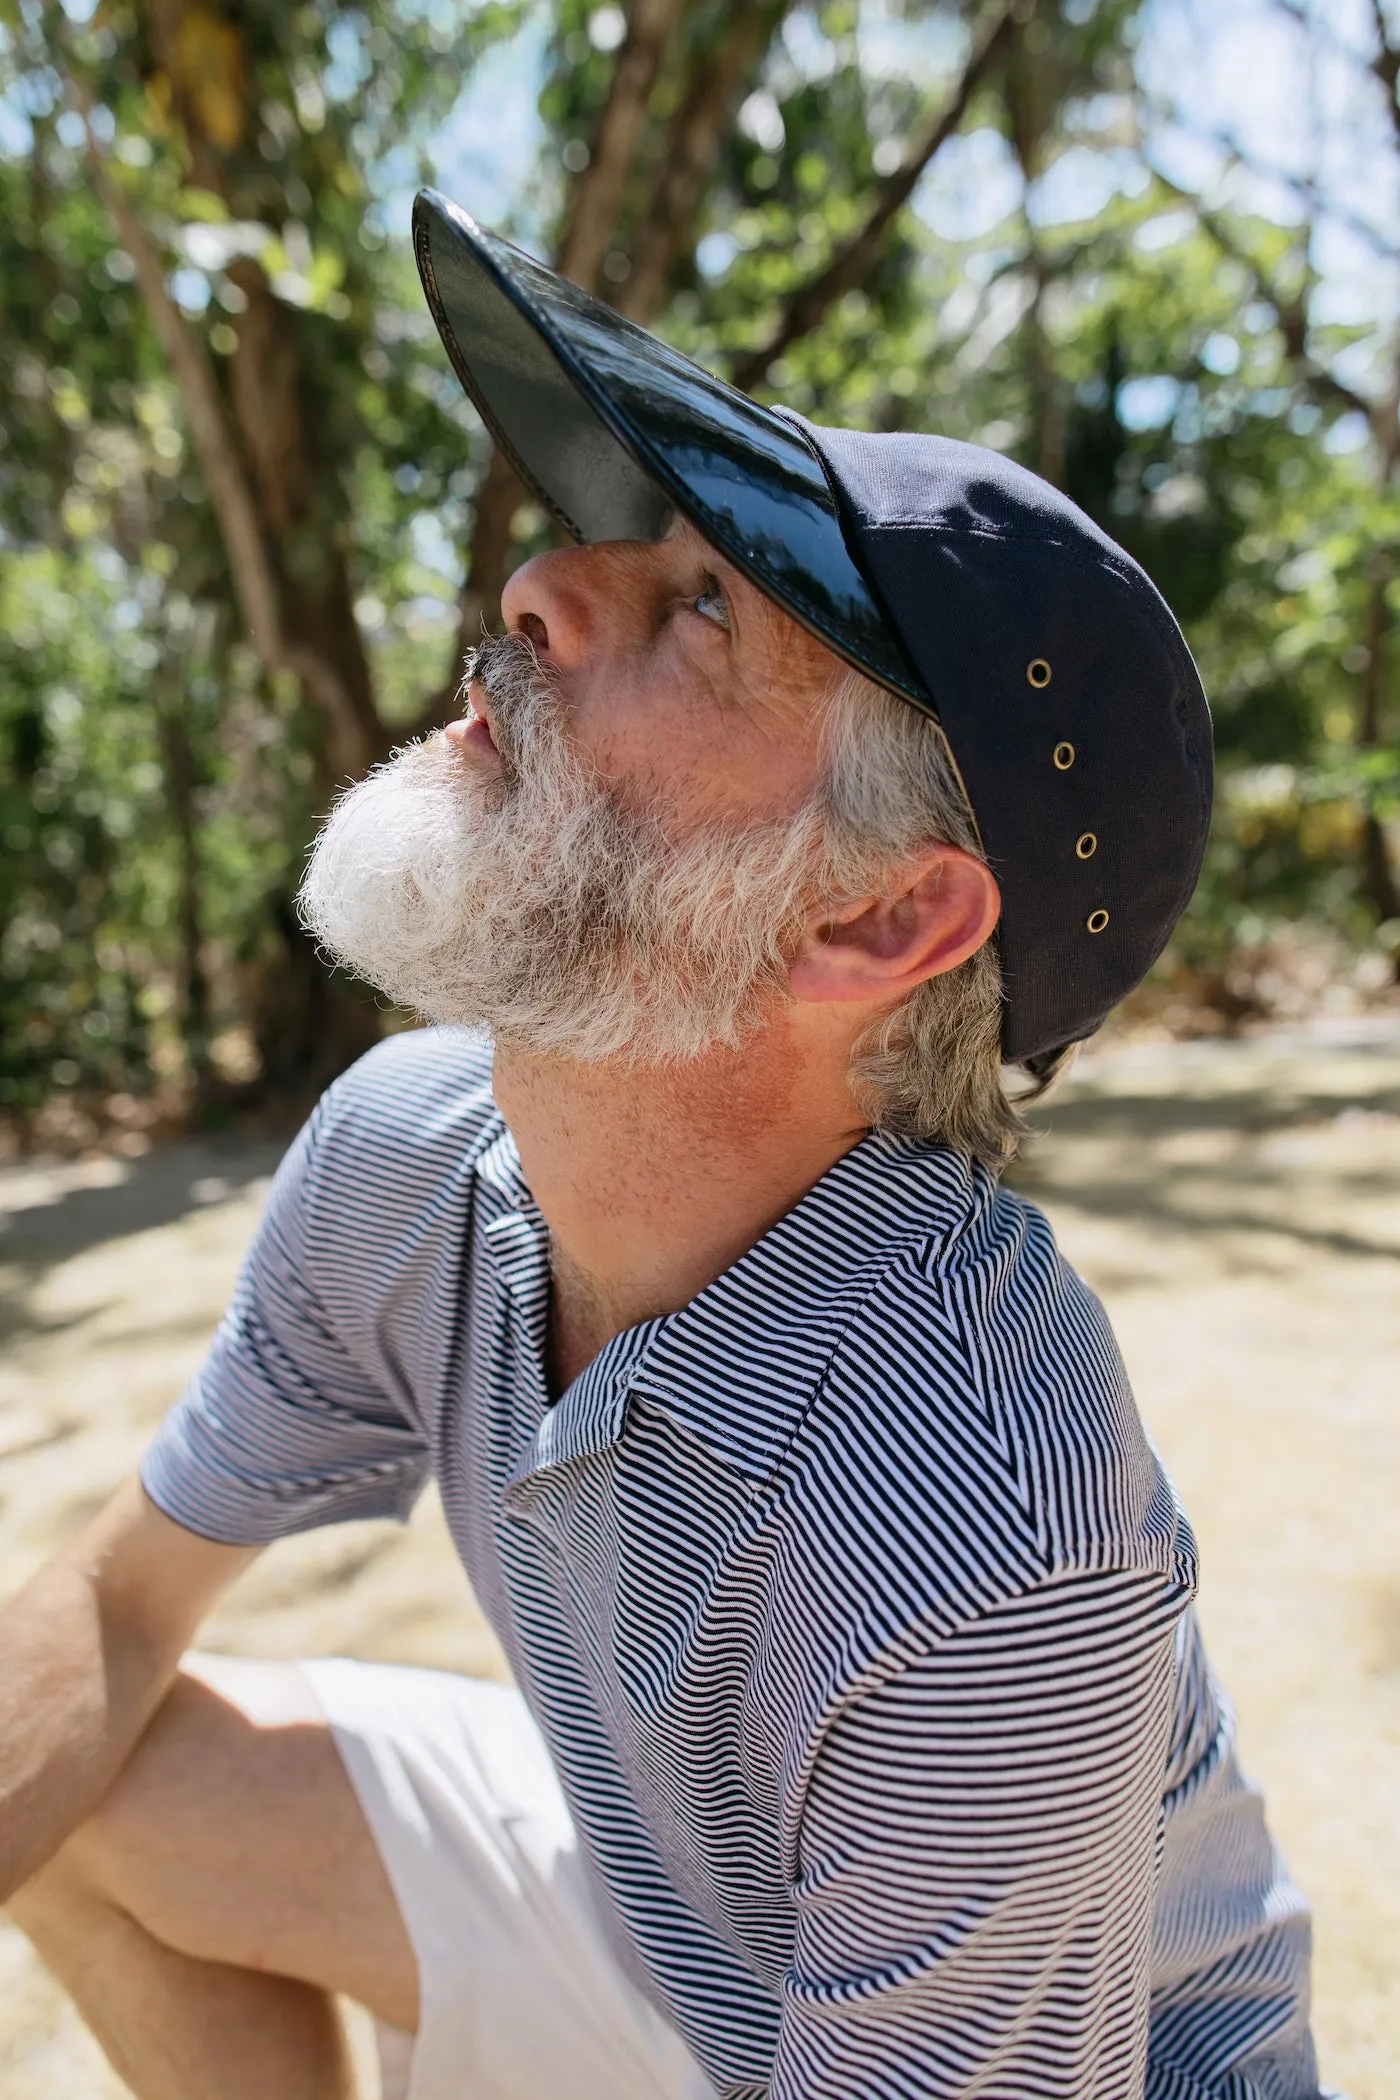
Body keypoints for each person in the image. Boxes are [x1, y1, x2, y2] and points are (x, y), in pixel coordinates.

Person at [1, 193, 1328, 2100]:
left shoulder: (976, 1532)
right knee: (102, 1789)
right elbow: (113, 1609)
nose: (546, 584)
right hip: (678, 1930)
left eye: (710, 610)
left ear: (871, 926)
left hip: (1018, 2056)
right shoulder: (421, 1147)